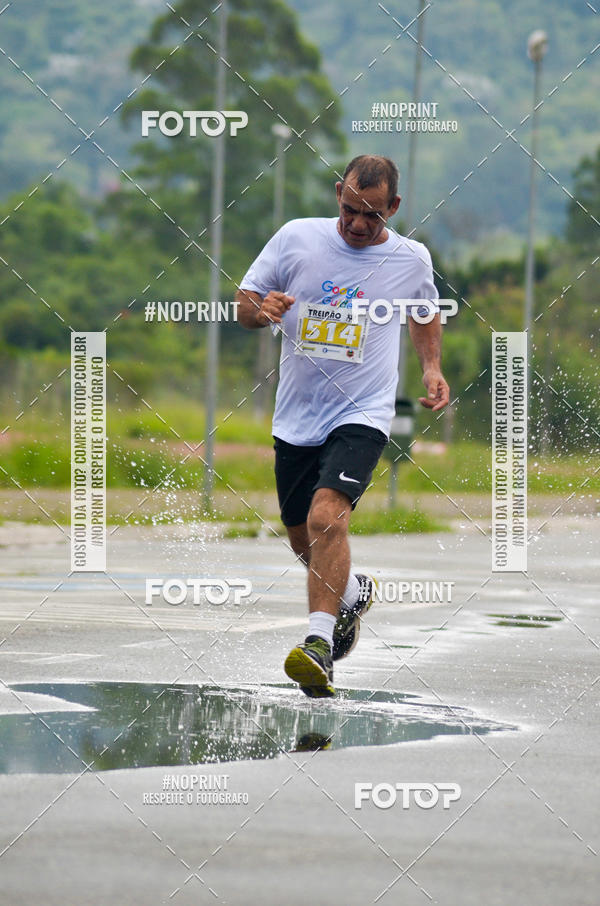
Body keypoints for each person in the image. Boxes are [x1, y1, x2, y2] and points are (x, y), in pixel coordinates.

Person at [236, 154, 449, 698]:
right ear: (339, 193)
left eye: (372, 215)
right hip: (297, 415)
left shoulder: (410, 259)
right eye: (351, 209)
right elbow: (244, 305)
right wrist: (265, 310)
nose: (358, 224)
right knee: (302, 537)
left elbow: (424, 313)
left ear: (393, 208)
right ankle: (352, 592)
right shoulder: (296, 238)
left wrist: (431, 368)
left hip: (363, 412)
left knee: (327, 516)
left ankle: (318, 645)